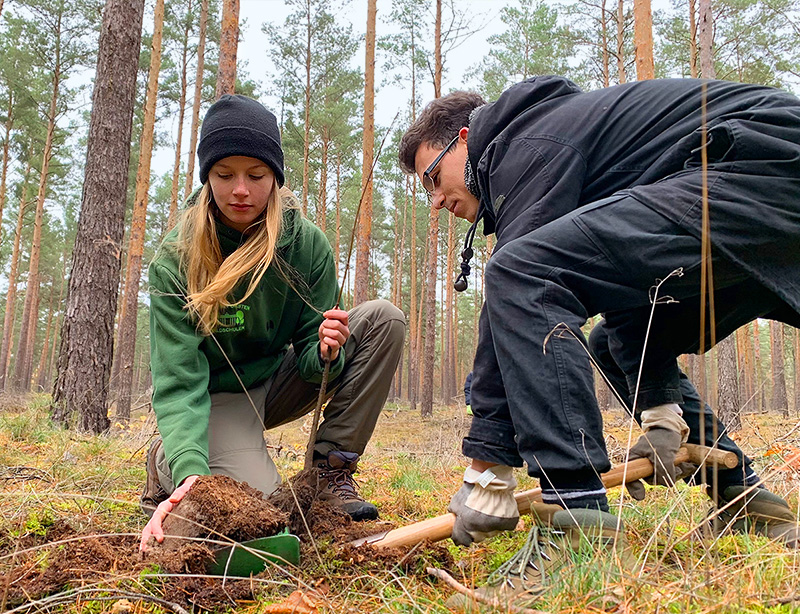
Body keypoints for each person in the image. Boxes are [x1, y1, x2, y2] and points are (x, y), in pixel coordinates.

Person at [399, 76, 800, 602]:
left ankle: (574, 521)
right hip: (763, 182)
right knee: (611, 336)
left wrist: (488, 468)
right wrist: (660, 412)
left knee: (520, 272)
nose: (435, 201)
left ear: (467, 139)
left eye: (433, 177)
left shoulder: (526, 141)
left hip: (754, 162)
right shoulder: (575, 143)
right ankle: (744, 500)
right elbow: (637, 294)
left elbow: (519, 282)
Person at [139, 94, 406, 550]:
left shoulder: (305, 246)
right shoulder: (175, 259)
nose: (240, 189)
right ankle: (170, 460)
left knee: (384, 319)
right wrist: (191, 472)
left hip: (276, 381)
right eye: (225, 175)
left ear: (276, 179)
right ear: (207, 177)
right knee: (258, 516)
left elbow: (312, 358)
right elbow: (179, 381)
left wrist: (326, 350)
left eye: (257, 175)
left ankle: (329, 473)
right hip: (215, 397)